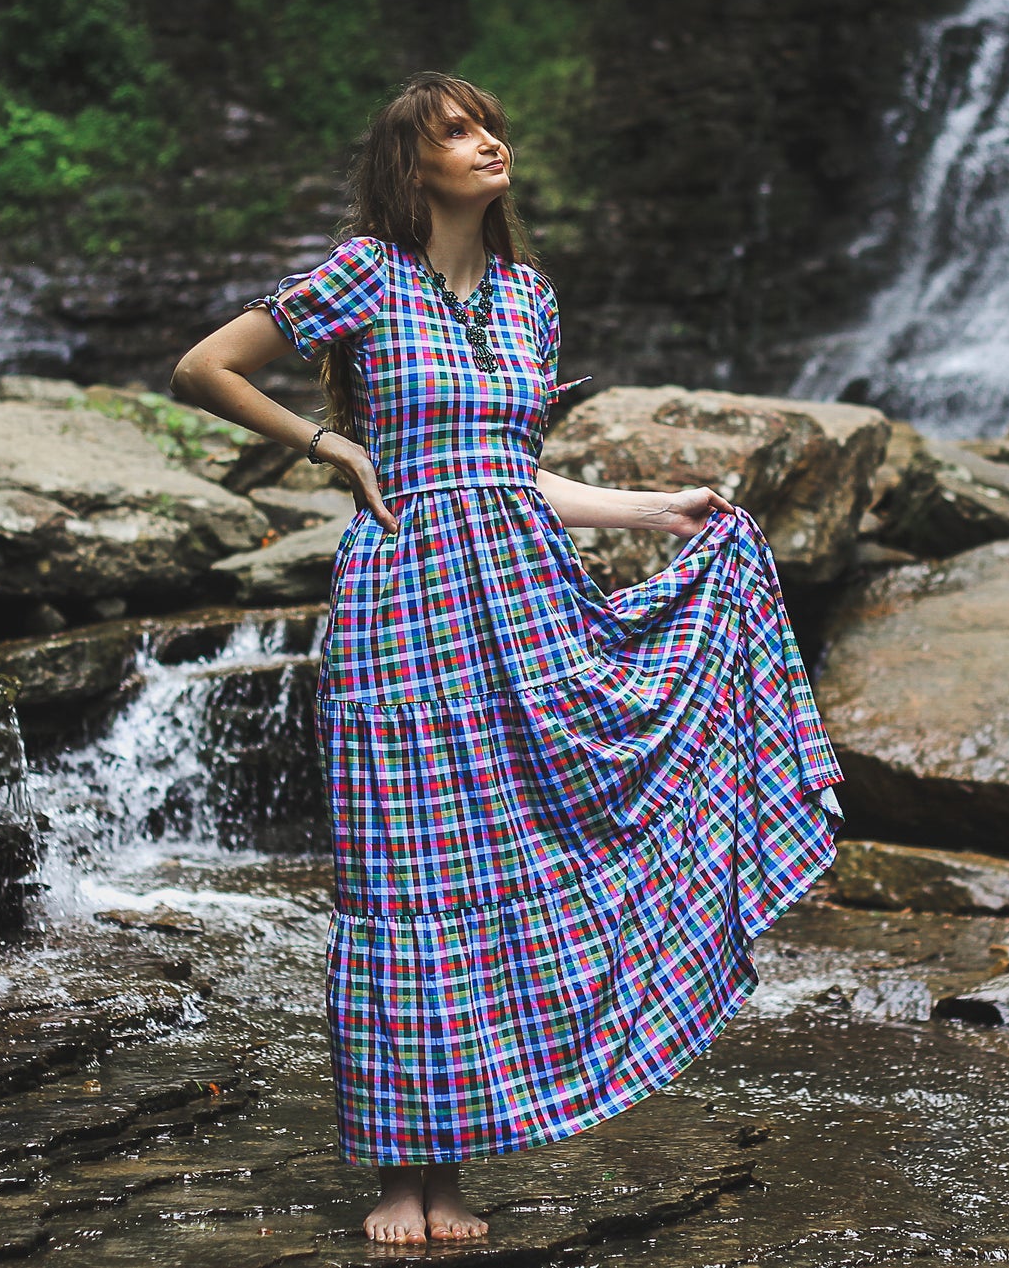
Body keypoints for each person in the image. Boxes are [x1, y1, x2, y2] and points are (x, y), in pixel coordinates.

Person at [170, 71, 846, 1245]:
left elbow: (511, 472)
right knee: (403, 876)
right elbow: (204, 367)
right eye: (458, 133)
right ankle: (398, 1174)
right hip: (401, 608)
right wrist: (329, 444)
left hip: (525, 604)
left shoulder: (529, 297)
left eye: (490, 127)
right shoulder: (363, 274)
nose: (490, 143)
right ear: (409, 165)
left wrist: (654, 514)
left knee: (505, 868)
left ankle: (456, 1165)